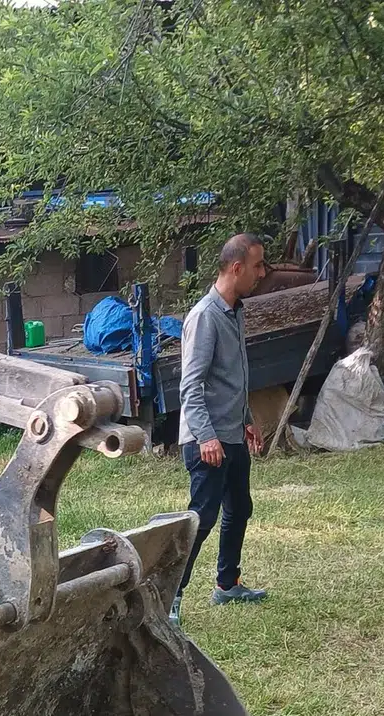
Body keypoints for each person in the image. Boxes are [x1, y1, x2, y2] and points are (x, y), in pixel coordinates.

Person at [174, 233, 269, 618]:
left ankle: (227, 585)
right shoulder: (205, 317)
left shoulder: (235, 310)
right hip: (206, 440)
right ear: (236, 267)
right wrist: (206, 436)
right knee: (202, 518)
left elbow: (231, 376)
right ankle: (170, 597)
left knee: (239, 508)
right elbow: (190, 386)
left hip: (231, 434)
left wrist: (246, 420)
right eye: (258, 265)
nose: (262, 273)